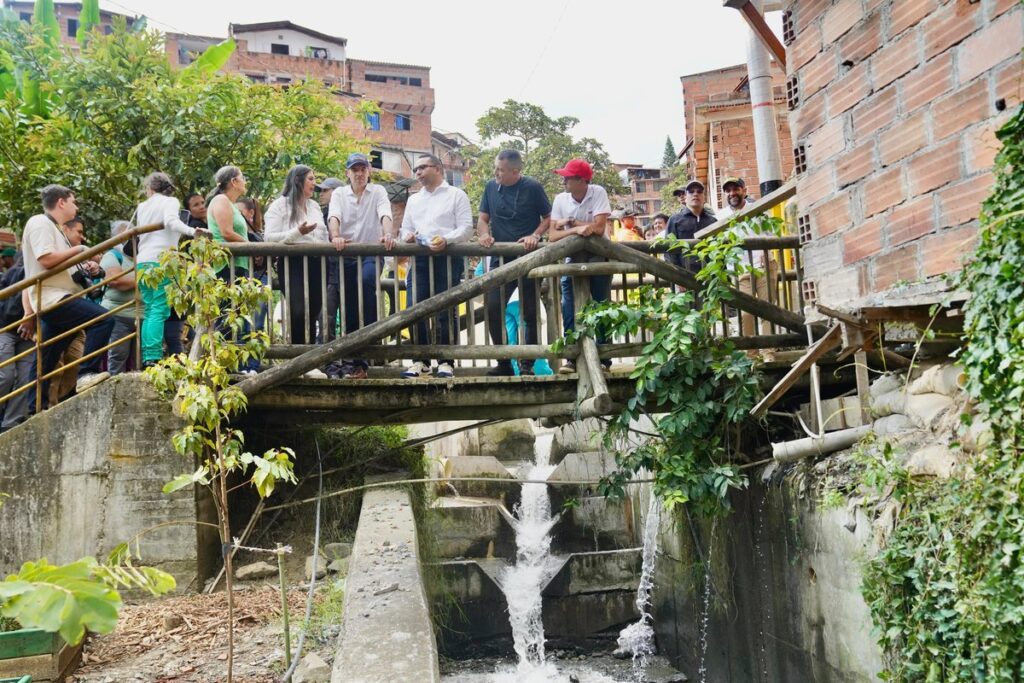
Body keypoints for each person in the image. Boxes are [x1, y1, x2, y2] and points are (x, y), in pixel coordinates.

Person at [21, 184, 114, 407]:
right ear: (61, 202)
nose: (77, 207)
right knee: (104, 319)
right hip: (53, 298)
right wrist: (80, 251)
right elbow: (46, 259)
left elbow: (63, 266)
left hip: (59, 297)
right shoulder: (40, 222)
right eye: (74, 201)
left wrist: (87, 266)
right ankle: (86, 373)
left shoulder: (57, 229)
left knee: (47, 358)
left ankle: (35, 407)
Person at [476, 149, 551, 376]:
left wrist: (535, 235)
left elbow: (548, 217)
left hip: (528, 257)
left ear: (515, 171)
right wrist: (483, 234)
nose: (496, 173)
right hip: (501, 257)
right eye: (496, 168)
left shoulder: (533, 187)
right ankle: (503, 361)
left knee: (529, 312)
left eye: (501, 170)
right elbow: (482, 218)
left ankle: (527, 363)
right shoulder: (490, 187)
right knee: (493, 307)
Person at [399, 153, 472, 379]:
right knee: (414, 309)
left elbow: (467, 228)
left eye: (422, 167)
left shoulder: (456, 195)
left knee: (445, 310)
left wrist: (446, 239)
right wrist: (408, 236)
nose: (418, 173)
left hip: (448, 257)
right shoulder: (413, 199)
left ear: (437, 168)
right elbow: (404, 229)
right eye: (416, 169)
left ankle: (446, 361)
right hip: (420, 258)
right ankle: (420, 360)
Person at [325, 152, 395, 379]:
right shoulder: (339, 194)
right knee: (350, 307)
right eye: (354, 169)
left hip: (370, 253)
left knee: (366, 283)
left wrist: (387, 234)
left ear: (369, 171)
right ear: (348, 173)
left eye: (363, 169)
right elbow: (333, 216)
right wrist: (335, 236)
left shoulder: (378, 191)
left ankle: (372, 335)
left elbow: (385, 213)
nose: (359, 173)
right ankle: (356, 363)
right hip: (346, 254)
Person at [547, 159, 612, 374]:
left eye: (568, 177)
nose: (564, 181)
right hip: (571, 258)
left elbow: (600, 228)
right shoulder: (560, 199)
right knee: (568, 307)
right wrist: (576, 230)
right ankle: (572, 355)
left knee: (601, 305)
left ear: (582, 180)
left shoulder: (598, 192)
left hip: (599, 256)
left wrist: (572, 222)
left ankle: (604, 357)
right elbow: (553, 235)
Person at [135, 172, 204, 369]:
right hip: (161, 261)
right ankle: (153, 357)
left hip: (142, 262)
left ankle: (149, 356)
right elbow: (171, 222)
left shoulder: (142, 207)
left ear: (150, 188)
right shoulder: (170, 201)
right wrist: (192, 231)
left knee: (150, 310)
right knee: (159, 309)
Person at [263, 164, 329, 345]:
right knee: (298, 309)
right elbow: (268, 237)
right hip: (293, 262)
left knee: (314, 310)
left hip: (318, 262)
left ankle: (308, 356)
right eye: (311, 179)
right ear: (298, 181)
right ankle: (297, 355)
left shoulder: (314, 206)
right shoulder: (279, 205)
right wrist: (297, 232)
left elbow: (323, 235)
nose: (314, 184)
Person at [0, 253, 33, 430]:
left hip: (29, 334)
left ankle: (10, 425)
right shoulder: (17, 273)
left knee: (26, 378)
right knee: (5, 375)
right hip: (6, 328)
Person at [100, 221, 137, 374]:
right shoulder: (112, 255)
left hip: (141, 315)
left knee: (140, 359)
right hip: (118, 313)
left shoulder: (141, 257)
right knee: (117, 356)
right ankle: (113, 392)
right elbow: (117, 281)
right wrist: (145, 277)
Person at [665, 179, 716, 274]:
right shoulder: (674, 220)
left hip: (710, 278)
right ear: (686, 197)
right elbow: (669, 251)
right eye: (691, 192)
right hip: (684, 277)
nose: (695, 194)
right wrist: (678, 277)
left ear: (704, 197)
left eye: (699, 192)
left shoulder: (713, 221)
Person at [236, 197, 269, 333]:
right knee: (238, 325)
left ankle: (253, 354)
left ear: (251, 213)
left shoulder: (258, 235)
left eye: (238, 212)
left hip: (258, 278)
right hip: (240, 278)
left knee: (256, 325)